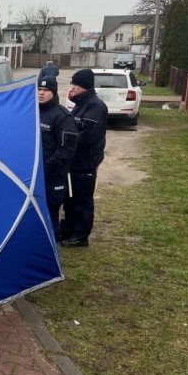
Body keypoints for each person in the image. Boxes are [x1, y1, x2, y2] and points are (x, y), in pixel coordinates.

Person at [60, 68, 108, 247]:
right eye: (72, 84)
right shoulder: (81, 103)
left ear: (85, 86)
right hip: (74, 161)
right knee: (69, 198)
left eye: (76, 85)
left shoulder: (96, 107)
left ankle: (80, 235)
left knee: (81, 199)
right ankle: (68, 228)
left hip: (85, 162)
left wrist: (65, 141)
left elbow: (88, 136)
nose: (72, 88)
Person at [38, 76, 78, 239]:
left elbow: (66, 150)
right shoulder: (31, 111)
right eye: (39, 89)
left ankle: (51, 240)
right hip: (34, 175)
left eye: (46, 90)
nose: (41, 93)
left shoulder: (63, 117)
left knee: (50, 209)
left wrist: (45, 167)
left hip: (53, 175)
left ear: (54, 93)